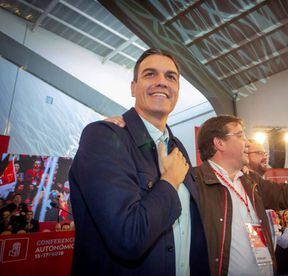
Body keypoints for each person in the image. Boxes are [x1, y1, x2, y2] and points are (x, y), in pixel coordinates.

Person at [69, 49, 209, 275]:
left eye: (170, 77)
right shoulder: (104, 137)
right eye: (150, 74)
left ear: (177, 91)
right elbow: (128, 237)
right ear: (133, 87)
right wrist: (170, 181)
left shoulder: (178, 147)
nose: (162, 82)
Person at [193, 115, 288, 276]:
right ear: (219, 143)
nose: (247, 142)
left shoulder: (250, 181)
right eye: (240, 135)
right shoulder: (194, 182)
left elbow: (287, 195)